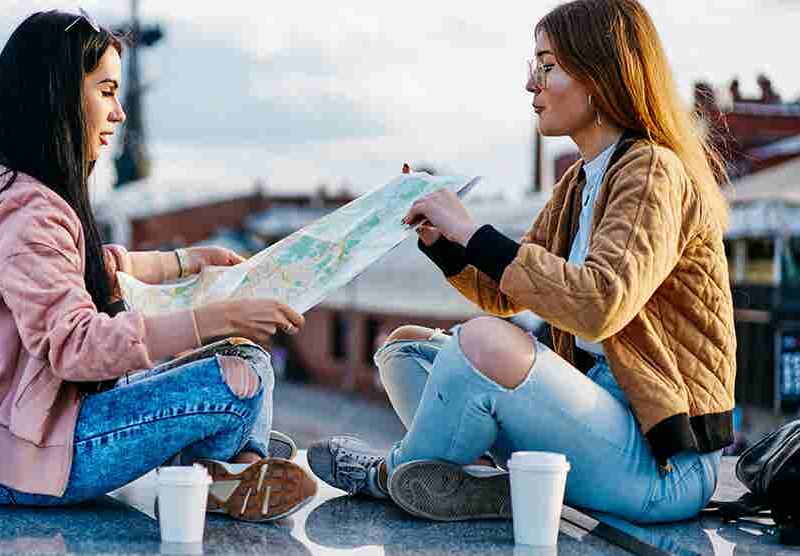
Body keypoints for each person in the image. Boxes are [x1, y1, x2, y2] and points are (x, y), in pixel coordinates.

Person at [308, 0, 736, 524]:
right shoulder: (581, 180)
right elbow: (508, 293)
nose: (531, 85)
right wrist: (445, 241)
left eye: (547, 67)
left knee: (479, 343)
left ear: (599, 75)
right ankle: (508, 486)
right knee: (404, 350)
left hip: (662, 463)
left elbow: (600, 303)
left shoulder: (651, 171)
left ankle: (387, 473)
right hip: (591, 423)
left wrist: (473, 230)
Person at [0, 9, 316, 522]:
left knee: (245, 360)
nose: (119, 112)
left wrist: (182, 262)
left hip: (25, 432)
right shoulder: (26, 211)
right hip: (24, 462)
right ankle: (238, 463)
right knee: (241, 383)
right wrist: (221, 318)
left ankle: (236, 468)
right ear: (57, 94)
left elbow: (79, 270)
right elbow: (75, 346)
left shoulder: (15, 191)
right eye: (106, 91)